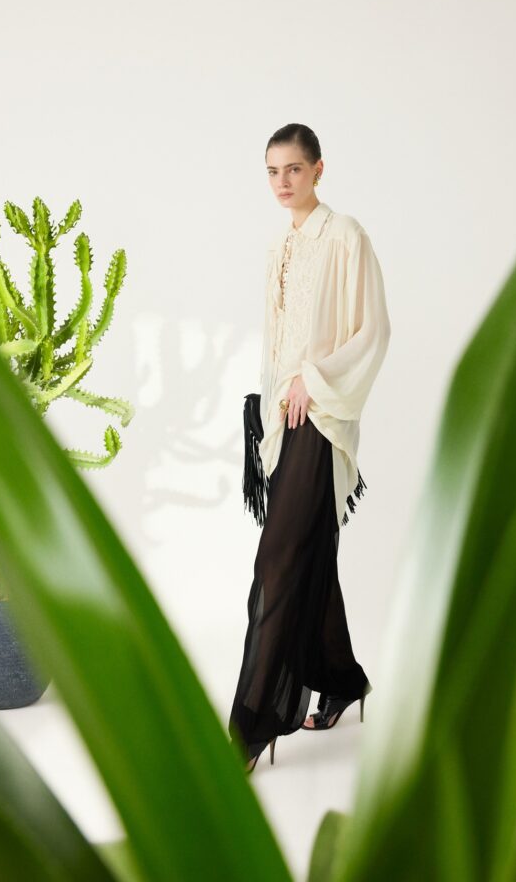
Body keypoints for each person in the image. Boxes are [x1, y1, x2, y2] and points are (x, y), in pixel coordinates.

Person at [228, 123, 391, 774]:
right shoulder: (281, 247)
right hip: (283, 419)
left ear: (318, 170)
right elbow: (281, 340)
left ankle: (251, 724)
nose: (282, 182)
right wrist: (268, 401)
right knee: (308, 553)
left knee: (277, 560)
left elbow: (373, 330)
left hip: (321, 416)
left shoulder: (344, 236)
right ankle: (343, 680)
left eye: (293, 169)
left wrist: (312, 382)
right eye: (272, 171)